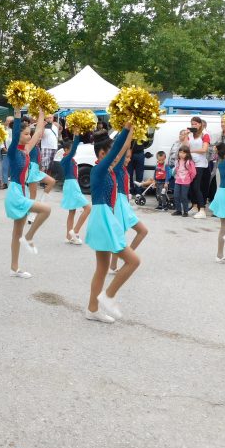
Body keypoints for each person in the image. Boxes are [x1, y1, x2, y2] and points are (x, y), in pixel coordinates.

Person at [84, 126, 141, 323]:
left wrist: (133, 127)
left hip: (104, 218)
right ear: (102, 154)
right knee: (133, 261)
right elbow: (118, 147)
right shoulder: (99, 169)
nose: (117, 157)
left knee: (102, 268)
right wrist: (125, 128)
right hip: (102, 219)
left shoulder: (109, 170)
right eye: (112, 155)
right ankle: (108, 296)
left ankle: (92, 310)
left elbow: (122, 147)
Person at [5, 108, 52, 279]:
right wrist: (17, 112)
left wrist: (41, 111)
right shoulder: (13, 151)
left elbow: (38, 132)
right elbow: (17, 131)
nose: (29, 136)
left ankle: (14, 268)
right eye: (25, 134)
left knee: (16, 233)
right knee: (46, 209)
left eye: (28, 134)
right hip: (15, 192)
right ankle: (29, 237)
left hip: (21, 191)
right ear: (17, 135)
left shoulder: (26, 150)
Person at [109, 136, 148, 273]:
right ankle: (114, 265)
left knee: (142, 231)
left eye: (129, 157)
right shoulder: (117, 168)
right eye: (126, 157)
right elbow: (124, 147)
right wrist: (130, 132)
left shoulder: (124, 169)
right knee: (119, 235)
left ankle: (125, 258)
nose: (129, 159)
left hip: (125, 203)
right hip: (119, 203)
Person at [60, 134, 91, 245]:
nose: (75, 151)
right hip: (71, 185)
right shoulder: (66, 159)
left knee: (72, 211)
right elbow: (73, 150)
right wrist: (77, 135)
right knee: (88, 208)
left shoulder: (70, 159)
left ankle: (68, 236)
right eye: (72, 149)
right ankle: (75, 232)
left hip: (72, 184)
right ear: (66, 150)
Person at [26, 140, 55, 224]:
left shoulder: (37, 146)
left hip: (36, 169)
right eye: (39, 136)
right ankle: (31, 216)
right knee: (33, 195)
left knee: (52, 181)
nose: (40, 138)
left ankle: (40, 205)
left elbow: (38, 159)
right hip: (31, 169)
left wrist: (40, 167)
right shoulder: (30, 145)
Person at [188, 116, 211, 219]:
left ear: (200, 124)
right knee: (191, 186)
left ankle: (202, 209)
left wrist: (191, 151)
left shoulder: (205, 134)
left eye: (196, 124)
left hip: (200, 164)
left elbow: (204, 149)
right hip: (191, 163)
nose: (194, 125)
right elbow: (186, 146)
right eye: (192, 124)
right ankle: (194, 206)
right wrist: (185, 136)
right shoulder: (190, 134)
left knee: (197, 186)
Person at [171, 145, 196, 216]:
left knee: (184, 196)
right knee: (176, 195)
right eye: (180, 152)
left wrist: (190, 179)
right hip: (178, 181)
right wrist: (175, 176)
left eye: (184, 153)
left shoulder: (189, 162)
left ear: (187, 154)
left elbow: (193, 172)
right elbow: (176, 170)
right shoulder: (177, 161)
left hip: (186, 182)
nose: (181, 154)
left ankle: (185, 211)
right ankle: (178, 210)